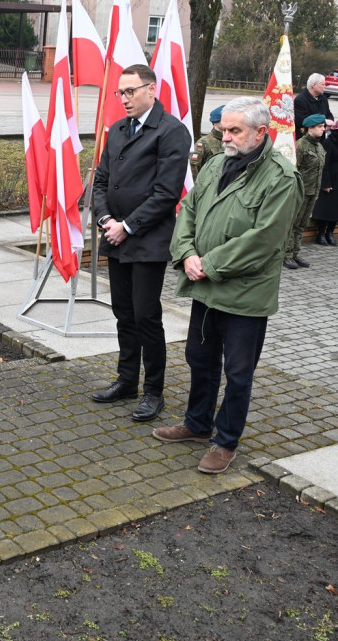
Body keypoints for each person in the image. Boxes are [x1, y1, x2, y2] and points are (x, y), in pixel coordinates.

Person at [156, 96, 303, 474]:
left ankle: (226, 441)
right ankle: (197, 424)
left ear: (261, 133)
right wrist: (187, 253)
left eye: (235, 131)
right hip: (204, 287)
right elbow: (188, 211)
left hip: (245, 295)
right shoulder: (217, 164)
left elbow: (265, 239)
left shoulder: (282, 178)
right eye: (224, 130)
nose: (226, 138)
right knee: (199, 359)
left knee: (238, 373)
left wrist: (208, 264)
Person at [91, 64, 191, 423]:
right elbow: (101, 181)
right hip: (116, 237)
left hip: (146, 241)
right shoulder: (117, 129)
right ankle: (127, 380)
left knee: (147, 317)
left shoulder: (171, 131)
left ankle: (154, 392)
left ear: (152, 89)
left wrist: (127, 227)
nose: (124, 99)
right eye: (121, 92)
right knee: (124, 315)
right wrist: (105, 220)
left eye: (131, 91)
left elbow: (166, 193)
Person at [284, 114, 326, 269]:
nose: (323, 129)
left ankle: (295, 252)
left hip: (312, 192)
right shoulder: (300, 146)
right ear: (310, 128)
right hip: (299, 192)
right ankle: (287, 254)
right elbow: (293, 170)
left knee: (302, 224)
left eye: (323, 126)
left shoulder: (319, 146)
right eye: (320, 126)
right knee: (293, 223)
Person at [312, 127, 338, 245]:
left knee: (336, 210)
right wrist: (326, 183)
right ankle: (321, 234)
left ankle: (330, 233)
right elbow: (324, 164)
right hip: (330, 179)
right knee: (326, 208)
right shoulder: (328, 143)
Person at [189, 104, 224, 178]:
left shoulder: (233, 140)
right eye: (224, 119)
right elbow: (194, 168)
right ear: (215, 121)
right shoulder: (204, 142)